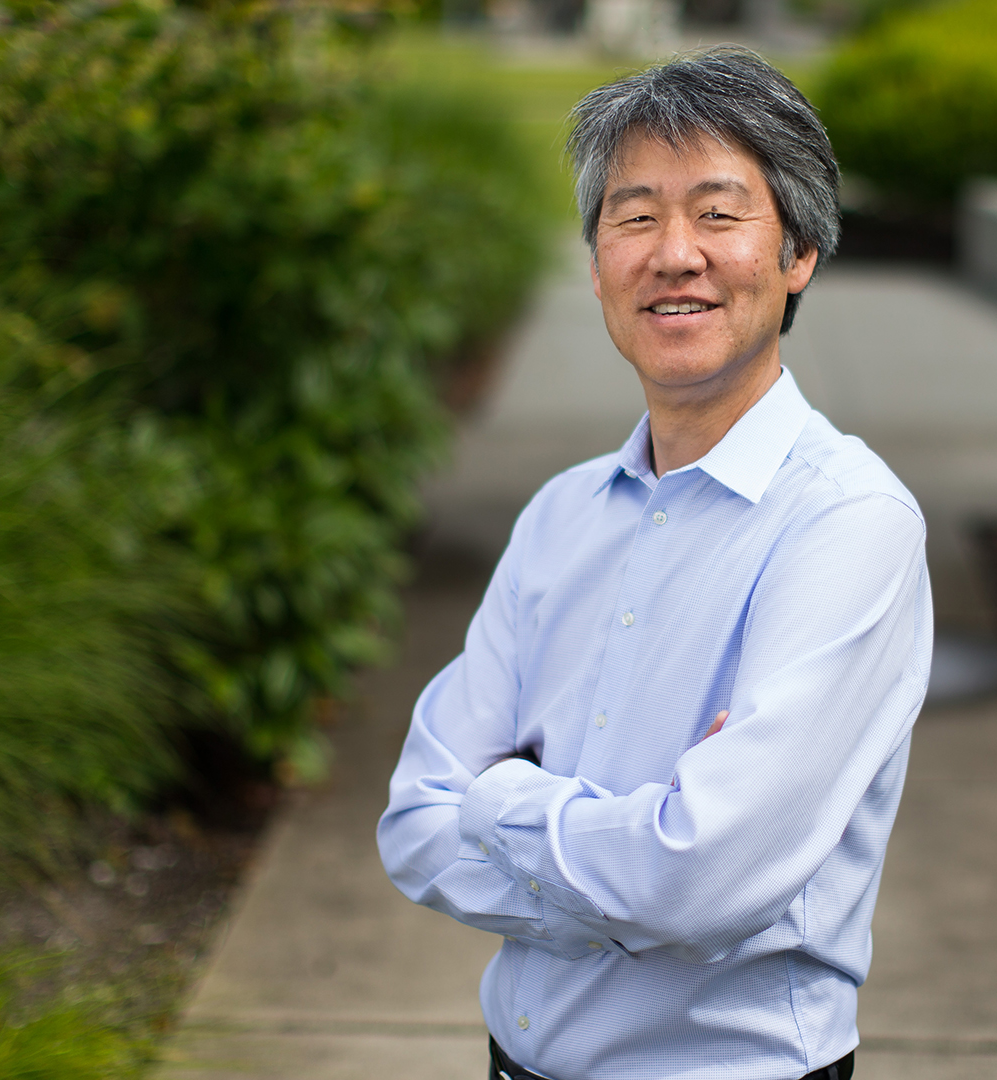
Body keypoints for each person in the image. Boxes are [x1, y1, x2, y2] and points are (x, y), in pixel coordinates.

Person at [377, 45, 931, 1080]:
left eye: (719, 215)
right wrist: (633, 860)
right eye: (635, 217)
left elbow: (699, 878)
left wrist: (502, 799)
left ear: (799, 250)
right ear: (596, 266)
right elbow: (412, 823)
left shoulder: (849, 526)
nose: (675, 254)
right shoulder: (559, 516)